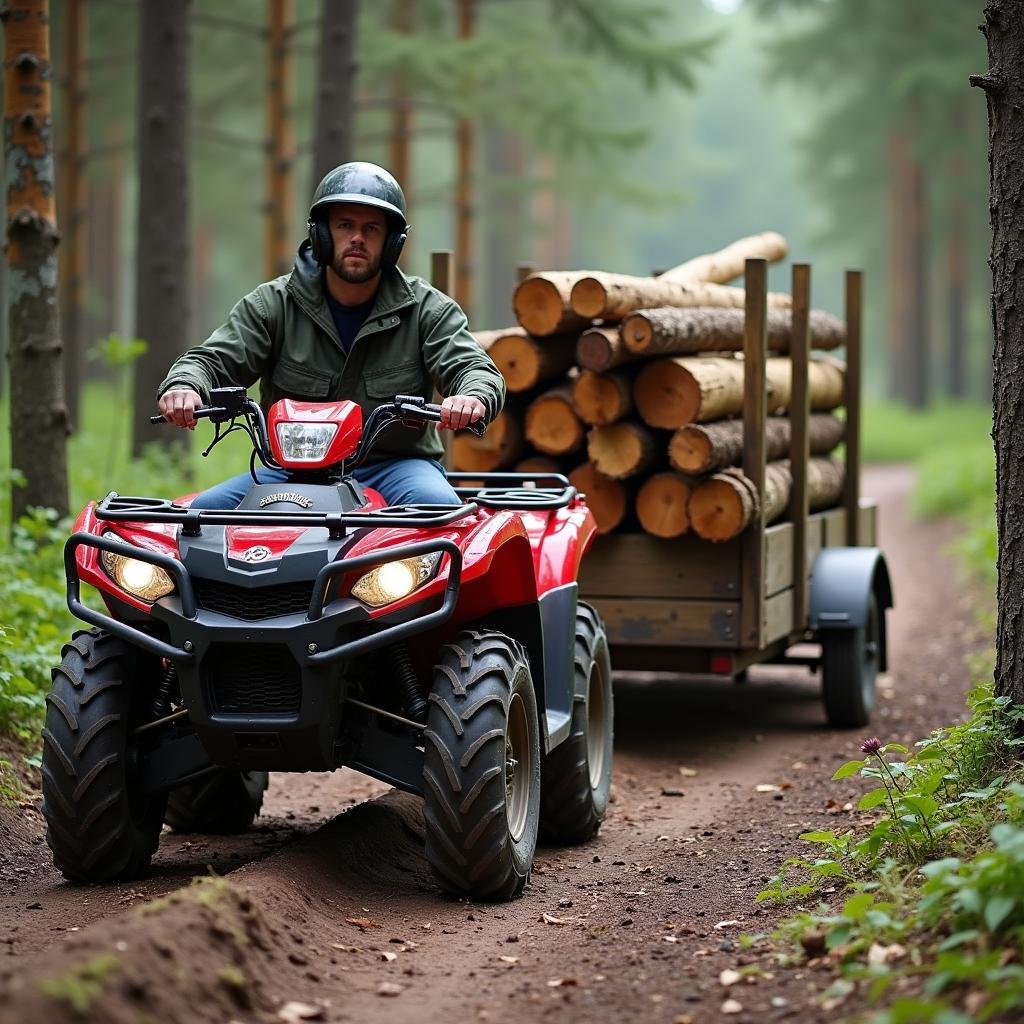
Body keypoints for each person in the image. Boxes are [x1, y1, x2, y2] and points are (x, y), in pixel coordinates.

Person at [157, 161, 505, 509]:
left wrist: (471, 396)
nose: (357, 238)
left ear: (392, 242)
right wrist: (185, 386)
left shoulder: (428, 309)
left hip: (395, 467)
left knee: (437, 510)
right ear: (321, 235)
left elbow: (472, 367)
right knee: (199, 519)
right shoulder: (273, 305)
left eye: (371, 228)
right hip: (290, 472)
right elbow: (213, 360)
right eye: (344, 225)